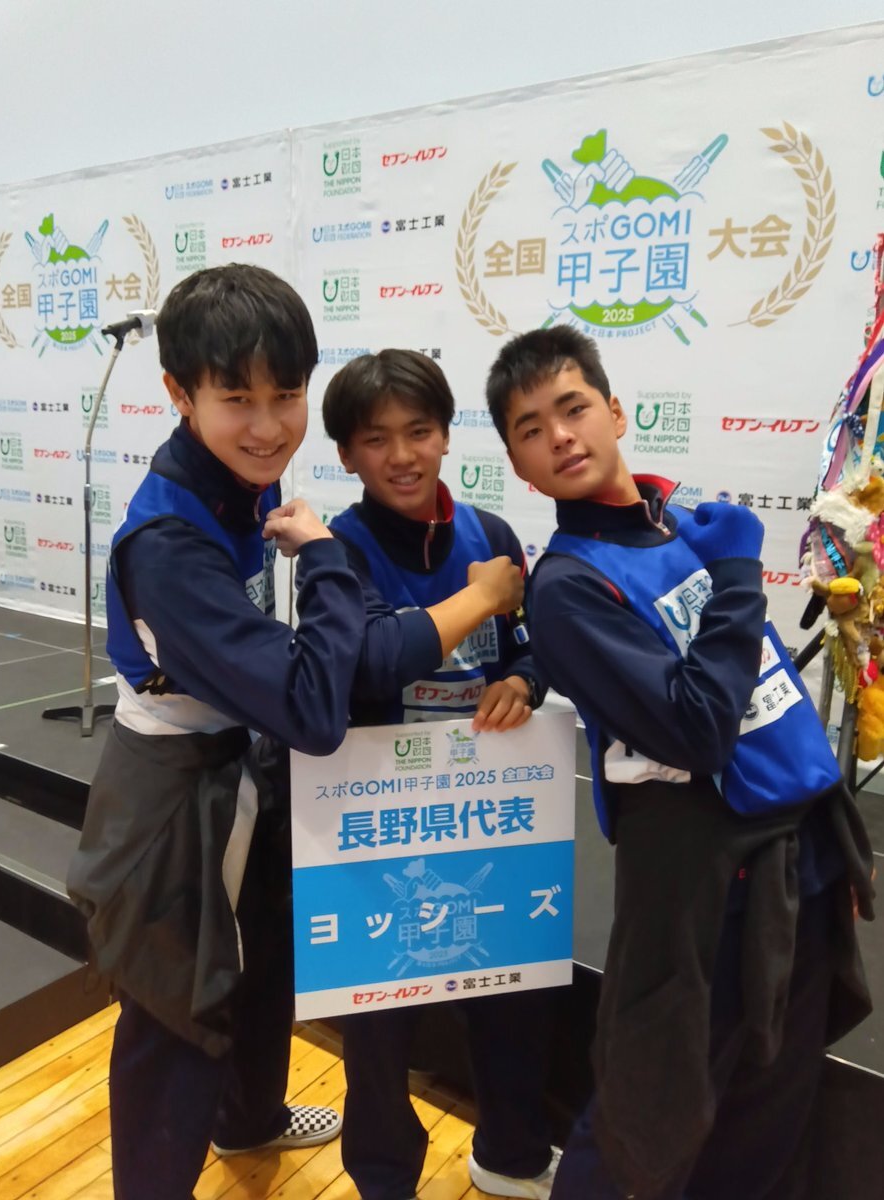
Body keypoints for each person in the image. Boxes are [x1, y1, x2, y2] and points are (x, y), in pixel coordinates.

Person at [483, 325, 875, 1200]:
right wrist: (737, 575)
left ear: (616, 412)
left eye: (574, 408)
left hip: (793, 857)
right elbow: (699, 728)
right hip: (700, 883)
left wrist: (832, 845)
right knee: (649, 1109)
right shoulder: (569, 589)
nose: (561, 436)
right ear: (519, 465)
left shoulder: (679, 529)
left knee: (774, 1097)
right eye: (532, 429)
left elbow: (765, 693)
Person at [68, 264, 366, 1200]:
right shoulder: (169, 544)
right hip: (171, 789)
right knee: (175, 1007)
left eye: (287, 394)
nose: (269, 425)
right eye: (238, 399)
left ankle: (252, 1120)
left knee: (262, 966)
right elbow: (312, 711)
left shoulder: (242, 478)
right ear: (179, 393)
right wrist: (328, 562)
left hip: (238, 753)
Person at [298, 348, 560, 1200]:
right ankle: (383, 1180)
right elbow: (369, 665)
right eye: (376, 440)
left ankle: (511, 1155)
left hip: (488, 811)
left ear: (447, 435)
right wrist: (481, 598)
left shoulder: (493, 536)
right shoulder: (337, 549)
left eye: (419, 431)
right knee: (379, 1024)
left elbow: (533, 648)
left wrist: (525, 681)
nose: (403, 455)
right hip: (381, 819)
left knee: (511, 993)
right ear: (346, 454)